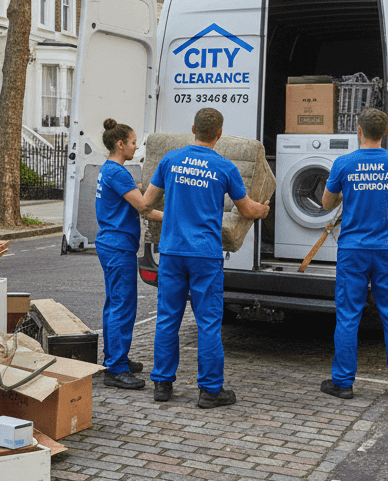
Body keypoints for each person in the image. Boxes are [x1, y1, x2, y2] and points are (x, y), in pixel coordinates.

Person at [143, 108, 270, 408]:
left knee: (167, 319)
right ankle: (210, 391)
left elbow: (146, 202)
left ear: (193, 129)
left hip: (172, 251)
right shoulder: (225, 168)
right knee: (209, 322)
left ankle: (162, 384)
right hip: (205, 254)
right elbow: (248, 210)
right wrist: (263, 209)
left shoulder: (170, 160)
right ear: (220, 134)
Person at [319, 108, 388, 401]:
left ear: (358, 131)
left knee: (348, 315)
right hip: (386, 248)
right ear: (383, 133)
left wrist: (347, 193)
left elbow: (325, 203)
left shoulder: (343, 163)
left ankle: (343, 383)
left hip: (353, 249)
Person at [95, 118, 162, 390]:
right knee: (123, 305)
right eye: (133, 143)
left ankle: (115, 357)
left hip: (112, 243)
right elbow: (145, 207)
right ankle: (116, 368)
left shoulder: (109, 170)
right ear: (120, 144)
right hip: (117, 245)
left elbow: (139, 208)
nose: (136, 148)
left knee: (115, 303)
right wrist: (176, 218)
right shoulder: (118, 173)